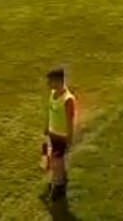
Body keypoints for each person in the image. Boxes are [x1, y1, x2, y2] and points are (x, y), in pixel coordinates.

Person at [43, 68, 76, 202]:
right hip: (53, 133)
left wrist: (69, 139)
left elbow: (70, 121)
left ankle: (58, 187)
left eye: (50, 81)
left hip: (61, 135)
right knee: (54, 160)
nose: (48, 84)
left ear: (58, 81)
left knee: (57, 161)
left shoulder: (68, 100)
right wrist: (47, 127)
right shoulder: (52, 94)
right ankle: (60, 181)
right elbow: (50, 112)